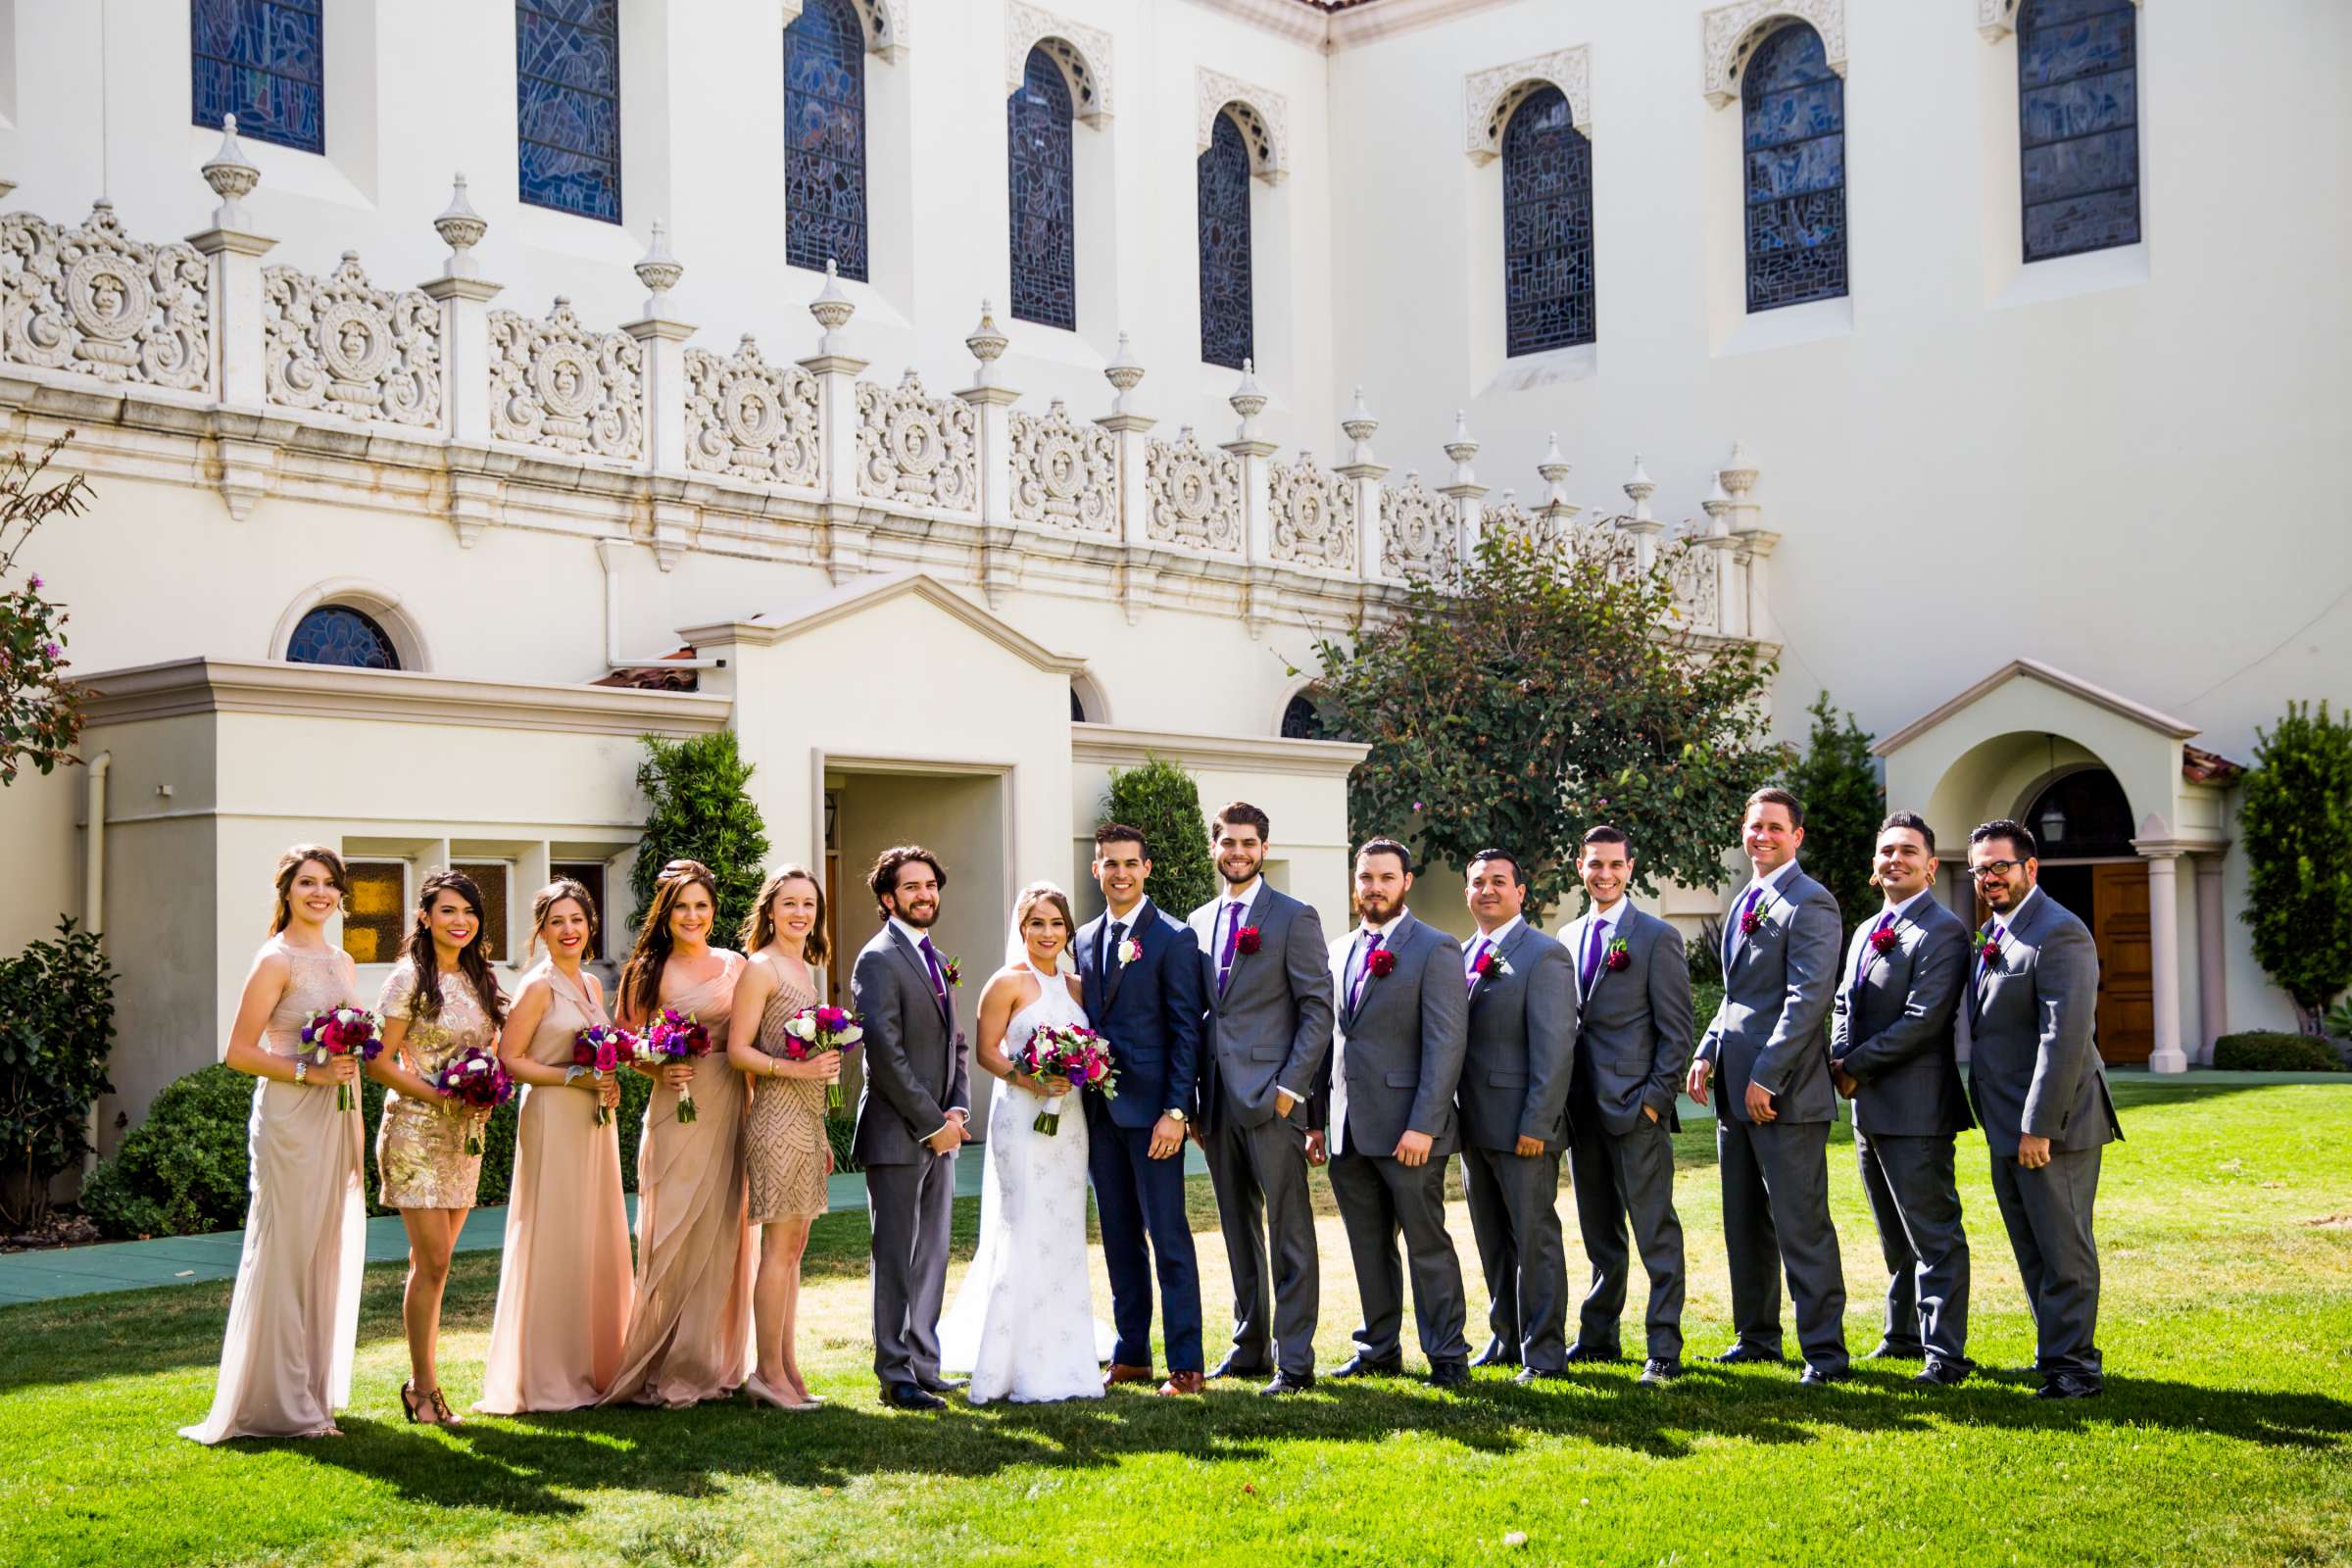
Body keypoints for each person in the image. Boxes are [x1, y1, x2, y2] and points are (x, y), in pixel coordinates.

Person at [180, 847, 367, 1444]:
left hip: (337, 1114)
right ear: (285, 890)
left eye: (329, 883)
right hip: (290, 1115)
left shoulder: (342, 960)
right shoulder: (274, 959)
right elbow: (238, 1051)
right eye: (306, 883)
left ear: (341, 894)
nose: (320, 893)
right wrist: (309, 1074)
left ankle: (309, 1393)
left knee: (321, 1248)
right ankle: (280, 1405)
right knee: (287, 1248)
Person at [1688, 787, 1849, 1385]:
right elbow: (1736, 996)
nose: (1763, 836)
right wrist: (1708, 1049)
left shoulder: (1812, 902)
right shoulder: (1744, 900)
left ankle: (1825, 1352)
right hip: (1734, 1094)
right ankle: (1756, 1338)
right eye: (1755, 827)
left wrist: (1766, 1075)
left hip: (1783, 1097)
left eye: (1775, 828)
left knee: (1800, 1225)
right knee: (1745, 1224)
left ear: (1797, 836)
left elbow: (1808, 999)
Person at [1965, 818, 2122, 1399]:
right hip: (2005, 1121)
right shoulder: (1998, 930)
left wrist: (2038, 1126)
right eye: (1980, 869)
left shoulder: (2061, 932)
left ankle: (2077, 1369)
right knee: (2031, 1245)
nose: (1988, 878)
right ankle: (2054, 1353)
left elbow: (2065, 1038)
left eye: (1999, 866)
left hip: (2054, 1125)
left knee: (2064, 1247)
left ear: (2031, 868)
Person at [938, 881, 1109, 1403]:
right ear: (1022, 927)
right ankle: (1011, 1356)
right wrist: (1031, 1080)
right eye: (1037, 923)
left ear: (1067, 930)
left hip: (1069, 1122)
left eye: (1056, 923)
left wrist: (1084, 1068)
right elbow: (986, 1051)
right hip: (1023, 1118)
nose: (1047, 933)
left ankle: (1062, 1348)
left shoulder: (1079, 987)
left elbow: (1095, 1044)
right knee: (1025, 1220)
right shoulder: (1006, 983)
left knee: (1062, 1227)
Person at [1188, 801, 1332, 1397]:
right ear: (1215, 848)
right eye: (1228, 843)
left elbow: (1317, 1010)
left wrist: (1290, 1090)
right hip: (1217, 1103)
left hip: (1274, 1100)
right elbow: (1199, 1015)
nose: (1238, 853)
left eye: (1248, 843)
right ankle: (1248, 1346)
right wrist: (1192, 1101)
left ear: (1264, 849)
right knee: (1236, 1228)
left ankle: (1294, 1361)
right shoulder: (1197, 922)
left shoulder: (1294, 917)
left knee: (1289, 1229)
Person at [602, 859, 756, 1408]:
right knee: (669, 1231)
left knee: (721, 1231)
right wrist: (657, 1067)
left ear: (714, 911)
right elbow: (625, 1046)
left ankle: (708, 1362)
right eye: (682, 907)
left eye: (702, 906)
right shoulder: (648, 970)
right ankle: (661, 1361)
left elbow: (753, 1035)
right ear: (666, 914)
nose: (693, 916)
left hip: (731, 1103)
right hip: (676, 1106)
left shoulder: (737, 966)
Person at [1830, 812, 1976, 1388]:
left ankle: (1946, 1354)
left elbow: (1923, 1020)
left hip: (1916, 1108)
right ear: (1874, 865)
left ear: (1931, 866)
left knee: (1933, 1235)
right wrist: (1840, 1056)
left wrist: (1852, 1068)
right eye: (1886, 851)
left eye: (1908, 851)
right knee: (1893, 1236)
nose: (1895, 859)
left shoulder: (1944, 931)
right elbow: (1843, 1002)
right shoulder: (1867, 929)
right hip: (1869, 1107)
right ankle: (1901, 1335)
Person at [1321, 838, 1472, 1389]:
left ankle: (1448, 1355)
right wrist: (1320, 1121)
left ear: (1405, 882)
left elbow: (1446, 1045)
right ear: (1355, 882)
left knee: (1426, 1244)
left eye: (1386, 878)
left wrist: (1424, 1125)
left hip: (1410, 1129)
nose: (1375, 888)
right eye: (1366, 878)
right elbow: (1330, 1042)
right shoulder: (1337, 951)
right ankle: (1378, 1348)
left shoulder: (1436, 948)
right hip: (1349, 1129)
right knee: (1368, 1245)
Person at [478, 879, 631, 1414]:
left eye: (577, 920)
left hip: (595, 1121)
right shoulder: (538, 986)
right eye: (557, 922)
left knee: (594, 1233)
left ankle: (597, 1364)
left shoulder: (591, 985)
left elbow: (602, 1054)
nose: (569, 930)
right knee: (557, 1234)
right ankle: (548, 1373)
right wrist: (575, 1077)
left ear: (590, 926)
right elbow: (509, 1059)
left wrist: (606, 1079)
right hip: (552, 1117)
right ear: (541, 931)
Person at [1076, 824, 1209, 1396]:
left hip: (1155, 1117)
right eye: (1110, 864)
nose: (1121, 873)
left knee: (1169, 1238)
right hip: (1099, 1115)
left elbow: (1187, 1032)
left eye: (1131, 863)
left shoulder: (1174, 939)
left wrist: (1177, 1111)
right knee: (1118, 1237)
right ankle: (1132, 1354)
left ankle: (1186, 1364)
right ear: (1096, 869)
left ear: (1147, 868)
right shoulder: (1082, 940)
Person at [369, 869, 506, 1426]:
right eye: (448, 911)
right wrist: (439, 1095)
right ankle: (423, 1389)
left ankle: (421, 1384)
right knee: (434, 1260)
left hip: (465, 1137)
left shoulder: (481, 980)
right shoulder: (406, 980)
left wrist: (487, 1088)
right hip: (416, 1133)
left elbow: (492, 1049)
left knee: (435, 1267)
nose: (460, 921)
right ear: (425, 916)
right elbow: (378, 1061)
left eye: (469, 912)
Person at [1562, 825, 1696, 1388]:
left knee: (1654, 1232)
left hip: (1634, 1109)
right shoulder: (1567, 937)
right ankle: (1598, 1336)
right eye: (1595, 864)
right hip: (1579, 1112)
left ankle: (1663, 1346)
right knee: (1599, 1232)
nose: (1604, 874)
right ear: (1580, 867)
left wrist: (1653, 1104)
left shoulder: (1655, 937)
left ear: (1630, 868)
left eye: (1614, 865)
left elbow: (1676, 1030)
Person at [852, 845, 972, 1412]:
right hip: (898, 1136)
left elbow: (957, 1044)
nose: (925, 895)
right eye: (912, 887)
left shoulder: (936, 957)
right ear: (887, 898)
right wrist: (931, 1124)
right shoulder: (877, 959)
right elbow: (885, 1055)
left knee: (933, 1254)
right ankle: (895, 1374)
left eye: (930, 884)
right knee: (896, 1255)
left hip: (941, 1132)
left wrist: (958, 1112)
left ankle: (925, 1363)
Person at [1454, 849, 1576, 1383]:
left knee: (1535, 1240)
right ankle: (1505, 1338)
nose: (1487, 890)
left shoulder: (1542, 955)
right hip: (1472, 1125)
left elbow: (1555, 1049)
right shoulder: (1458, 953)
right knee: (1491, 1239)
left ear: (1521, 892)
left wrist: (1537, 1123)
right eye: (1477, 882)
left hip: (1523, 1127)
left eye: (1499, 881)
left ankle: (1545, 1352)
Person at [726, 866, 841, 1412]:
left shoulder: (805, 967)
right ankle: (765, 1373)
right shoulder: (761, 967)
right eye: (790, 903)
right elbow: (738, 1051)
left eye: (809, 905)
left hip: (807, 1118)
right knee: (777, 1251)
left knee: (795, 1250)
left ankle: (788, 1368)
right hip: (774, 1118)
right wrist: (798, 1071)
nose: (800, 913)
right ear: (770, 909)